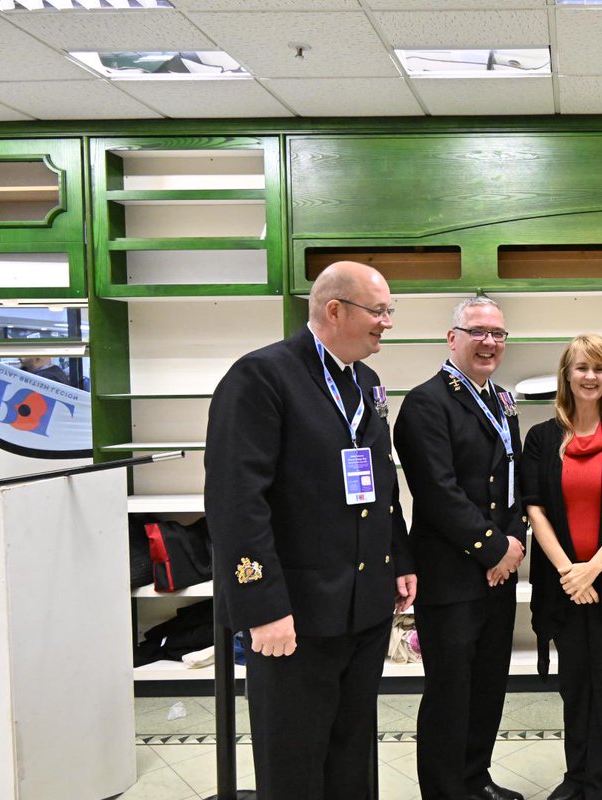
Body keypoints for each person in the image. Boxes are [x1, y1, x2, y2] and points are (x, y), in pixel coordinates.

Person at [204, 260, 416, 800]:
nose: (387, 322)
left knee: (352, 754)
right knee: (294, 759)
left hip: (361, 606)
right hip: (292, 613)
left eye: (390, 311)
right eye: (379, 310)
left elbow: (380, 479)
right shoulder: (261, 376)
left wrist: (400, 558)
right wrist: (262, 607)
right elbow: (236, 503)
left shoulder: (365, 382)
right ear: (335, 309)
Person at [393, 296, 527, 800]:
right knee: (451, 693)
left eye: (498, 333)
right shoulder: (427, 402)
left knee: (488, 687)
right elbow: (437, 492)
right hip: (451, 575)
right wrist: (495, 548)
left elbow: (514, 481)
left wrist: (514, 544)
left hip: (498, 572)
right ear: (453, 338)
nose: (489, 341)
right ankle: (447, 791)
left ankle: (476, 779)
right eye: (478, 331)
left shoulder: (503, 400)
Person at [521, 334, 602, 800]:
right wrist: (569, 574)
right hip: (564, 587)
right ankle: (576, 778)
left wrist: (591, 568)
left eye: (599, 368)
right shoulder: (540, 438)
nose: (590, 376)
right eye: (581, 367)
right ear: (567, 375)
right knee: (574, 687)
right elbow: (533, 507)